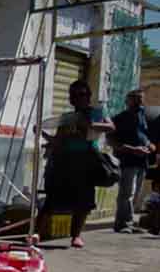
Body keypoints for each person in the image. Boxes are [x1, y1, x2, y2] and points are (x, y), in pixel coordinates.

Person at [37, 80, 115, 248]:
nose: (77, 98)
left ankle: (76, 236)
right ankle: (35, 234)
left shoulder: (97, 112)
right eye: (73, 95)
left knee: (83, 201)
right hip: (65, 160)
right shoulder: (66, 118)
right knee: (52, 198)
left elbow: (110, 127)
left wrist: (90, 124)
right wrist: (42, 134)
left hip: (86, 160)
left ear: (88, 97)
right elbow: (57, 141)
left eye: (81, 95)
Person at [111, 89, 154, 233]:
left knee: (136, 194)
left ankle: (129, 222)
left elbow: (145, 136)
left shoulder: (143, 116)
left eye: (141, 98)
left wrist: (149, 145)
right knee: (126, 193)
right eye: (135, 98)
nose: (139, 102)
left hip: (142, 161)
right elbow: (112, 141)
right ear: (127, 101)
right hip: (128, 161)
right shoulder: (120, 118)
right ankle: (122, 224)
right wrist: (132, 149)